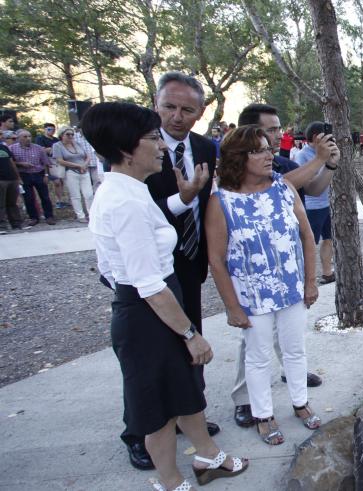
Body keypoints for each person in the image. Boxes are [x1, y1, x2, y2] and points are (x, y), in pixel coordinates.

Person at [83, 102, 248, 491]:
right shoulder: (122, 201)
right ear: (126, 148)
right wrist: (190, 333)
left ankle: (208, 455)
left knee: (184, 388)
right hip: (147, 314)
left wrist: (183, 196)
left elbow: (150, 223)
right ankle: (171, 482)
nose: (162, 145)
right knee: (157, 407)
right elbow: (147, 283)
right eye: (153, 137)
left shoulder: (130, 191)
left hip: (158, 305)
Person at [205, 125, 322, 446]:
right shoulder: (221, 202)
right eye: (258, 150)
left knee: (295, 349)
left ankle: (300, 402)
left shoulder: (284, 189)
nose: (269, 155)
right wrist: (231, 306)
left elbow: (306, 236)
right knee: (257, 358)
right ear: (238, 158)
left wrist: (310, 282)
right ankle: (263, 414)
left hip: (291, 289)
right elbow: (216, 259)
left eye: (269, 148)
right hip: (252, 297)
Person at [230, 103, 336, 428]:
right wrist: (317, 158)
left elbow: (311, 187)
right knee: (254, 346)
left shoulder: (282, 163)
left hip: (287, 271)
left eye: (278, 129)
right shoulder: (238, 173)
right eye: (271, 129)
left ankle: (297, 390)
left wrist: (329, 165)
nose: (279, 134)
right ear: (249, 133)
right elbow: (279, 185)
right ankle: (246, 400)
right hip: (255, 278)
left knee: (290, 341)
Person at [137, 72, 221, 470]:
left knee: (192, 342)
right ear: (156, 104)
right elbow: (144, 208)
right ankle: (142, 431)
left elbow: (209, 205)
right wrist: (182, 196)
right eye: (169, 107)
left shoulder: (205, 147)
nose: (176, 117)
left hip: (189, 260)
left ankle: (192, 417)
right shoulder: (138, 147)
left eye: (187, 109)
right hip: (149, 267)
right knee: (152, 352)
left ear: (200, 112)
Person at [297, 122, 336, 284]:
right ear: (315, 137)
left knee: (329, 239)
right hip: (312, 208)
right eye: (326, 136)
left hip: (326, 204)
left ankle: (328, 273)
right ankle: (307, 278)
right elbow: (306, 183)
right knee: (309, 244)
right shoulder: (302, 155)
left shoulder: (327, 154)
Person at [10, 129, 56, 226]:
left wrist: (46, 175)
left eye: (29, 136)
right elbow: (11, 162)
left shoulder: (38, 148)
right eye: (25, 137)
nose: (28, 139)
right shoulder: (12, 148)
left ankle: (49, 216)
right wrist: (21, 164)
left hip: (38, 173)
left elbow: (46, 163)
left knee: (45, 197)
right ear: (18, 138)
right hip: (24, 175)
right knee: (28, 197)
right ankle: (33, 217)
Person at [52, 126, 94, 222]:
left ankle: (92, 214)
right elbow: (60, 160)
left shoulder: (78, 144)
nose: (70, 136)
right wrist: (78, 166)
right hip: (70, 172)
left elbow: (87, 156)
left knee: (89, 194)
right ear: (62, 135)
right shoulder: (57, 146)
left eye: (72, 134)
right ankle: (80, 216)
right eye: (68, 134)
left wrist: (84, 165)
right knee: (76, 195)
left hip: (84, 171)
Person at [36, 123, 67, 208]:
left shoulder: (56, 139)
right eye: (49, 129)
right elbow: (42, 150)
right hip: (47, 163)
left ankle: (59, 201)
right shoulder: (40, 139)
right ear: (44, 130)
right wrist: (51, 149)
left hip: (57, 162)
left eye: (53, 130)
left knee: (60, 181)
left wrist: (51, 149)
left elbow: (61, 149)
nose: (52, 131)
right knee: (56, 181)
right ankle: (56, 202)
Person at [0, 130, 23, 231]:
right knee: (1, 204)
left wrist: (17, 177)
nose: (1, 136)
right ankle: (2, 226)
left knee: (12, 202)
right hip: (1, 180)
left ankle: (16, 224)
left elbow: (12, 162)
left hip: (12, 178)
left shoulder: (4, 147)